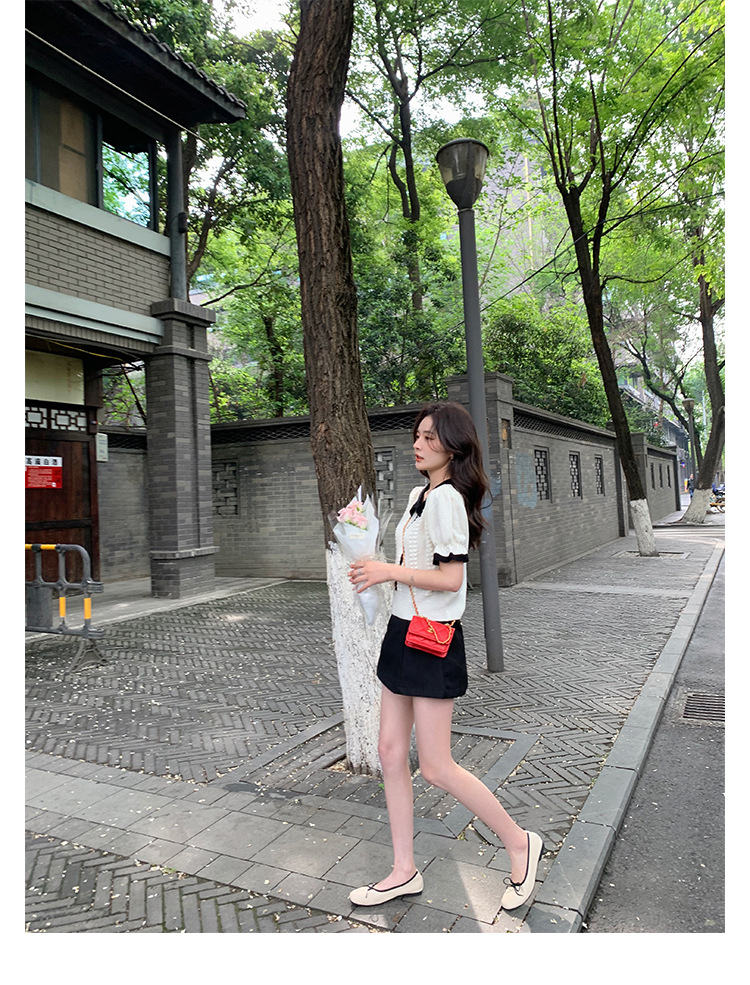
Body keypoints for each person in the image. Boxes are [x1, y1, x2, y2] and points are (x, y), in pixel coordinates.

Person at [346, 401, 543, 911]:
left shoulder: (449, 498)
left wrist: (389, 572)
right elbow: (415, 565)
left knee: (436, 766)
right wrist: (373, 565)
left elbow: (452, 579)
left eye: (430, 438)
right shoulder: (420, 495)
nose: (419, 443)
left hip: (431, 639)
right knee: (391, 751)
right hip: (401, 630)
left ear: (454, 447)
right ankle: (403, 870)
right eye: (417, 435)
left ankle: (520, 842)